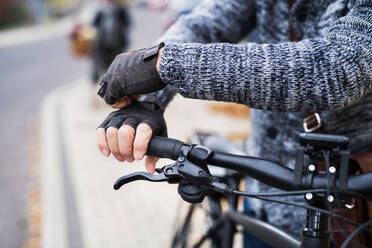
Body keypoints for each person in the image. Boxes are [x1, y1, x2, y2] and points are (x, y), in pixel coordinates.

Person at [95, 0, 372, 246]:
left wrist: (164, 65)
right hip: (263, 199)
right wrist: (148, 99)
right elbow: (206, 23)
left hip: (351, 215)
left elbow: (340, 66)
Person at [91, 0, 130, 83]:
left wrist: (122, 30)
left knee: (117, 65)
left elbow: (127, 23)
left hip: (118, 43)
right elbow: (94, 25)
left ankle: (117, 83)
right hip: (103, 44)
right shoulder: (100, 10)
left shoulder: (120, 9)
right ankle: (108, 83)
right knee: (105, 66)